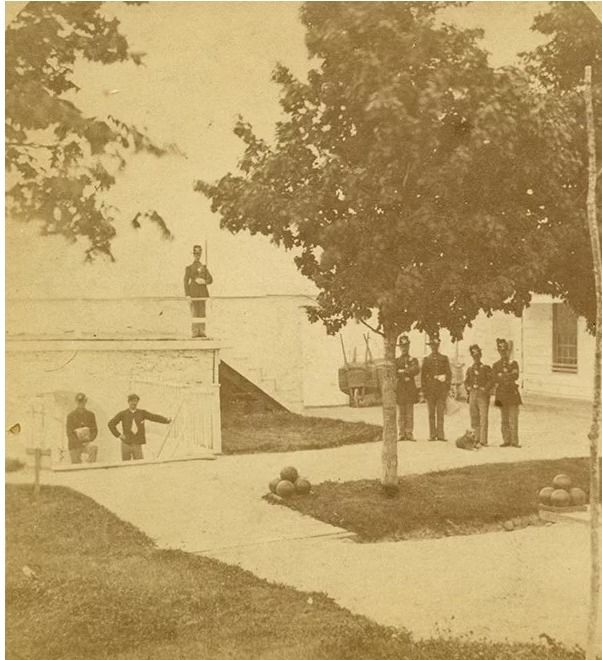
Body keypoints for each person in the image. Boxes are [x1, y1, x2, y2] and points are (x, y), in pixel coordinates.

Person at [108, 394, 171, 461]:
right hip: (125, 443)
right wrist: (119, 435)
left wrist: (166, 420)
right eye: (132, 401)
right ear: (128, 402)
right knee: (125, 466)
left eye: (136, 401)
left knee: (139, 464)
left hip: (137, 444)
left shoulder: (142, 413)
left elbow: (154, 417)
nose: (134, 403)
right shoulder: (123, 414)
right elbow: (111, 424)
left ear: (137, 402)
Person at [421, 332, 452, 442]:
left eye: (436, 345)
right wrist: (424, 391)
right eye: (432, 345)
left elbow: (449, 374)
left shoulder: (444, 358)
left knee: (440, 413)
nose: (434, 347)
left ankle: (441, 435)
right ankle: (432, 434)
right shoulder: (426, 359)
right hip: (430, 391)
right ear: (430, 346)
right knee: (431, 414)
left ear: (438, 346)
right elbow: (423, 377)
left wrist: (447, 387)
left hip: (441, 390)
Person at [492, 338, 522, 447]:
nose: (503, 353)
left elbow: (515, 375)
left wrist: (503, 376)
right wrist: (505, 376)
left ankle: (514, 441)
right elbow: (495, 378)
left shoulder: (514, 363)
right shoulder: (495, 365)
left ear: (508, 351)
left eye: (505, 351)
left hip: (512, 394)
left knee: (513, 418)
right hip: (501, 395)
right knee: (504, 419)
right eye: (501, 351)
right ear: (499, 352)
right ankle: (506, 440)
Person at [464, 344, 492, 447]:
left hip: (482, 395)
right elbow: (466, 382)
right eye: (473, 355)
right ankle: (476, 438)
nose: (476, 357)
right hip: (473, 394)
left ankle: (483, 440)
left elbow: (491, 380)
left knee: (483, 417)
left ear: (480, 355)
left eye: (477, 355)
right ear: (472, 356)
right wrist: (468, 388)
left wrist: (485, 388)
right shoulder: (470, 369)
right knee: (474, 417)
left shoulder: (485, 368)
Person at [183, 244, 213, 338]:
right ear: (193, 254)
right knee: (195, 313)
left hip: (203, 293)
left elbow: (210, 279)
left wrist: (204, 281)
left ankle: (202, 331)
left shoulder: (204, 268)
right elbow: (185, 281)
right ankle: (195, 332)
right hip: (193, 293)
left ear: (201, 254)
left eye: (199, 253)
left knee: (202, 313)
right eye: (196, 253)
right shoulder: (189, 268)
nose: (197, 255)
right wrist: (187, 295)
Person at [395, 334, 420, 441]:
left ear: (409, 346)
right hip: (401, 388)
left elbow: (416, 369)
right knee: (401, 412)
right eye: (402, 346)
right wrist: (405, 373)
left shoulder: (413, 359)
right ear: (400, 347)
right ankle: (401, 433)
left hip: (410, 389)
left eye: (406, 346)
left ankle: (409, 433)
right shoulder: (397, 361)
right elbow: (394, 372)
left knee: (409, 412)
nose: (404, 348)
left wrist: (404, 371)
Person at [66, 393, 98, 464]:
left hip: (87, 442)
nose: (81, 404)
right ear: (76, 402)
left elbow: (94, 430)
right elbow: (69, 433)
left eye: (83, 401)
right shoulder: (70, 416)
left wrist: (89, 439)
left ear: (85, 401)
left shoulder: (91, 415)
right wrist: (78, 442)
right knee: (76, 465)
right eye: (79, 402)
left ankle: (90, 468)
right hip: (74, 444)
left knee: (93, 447)